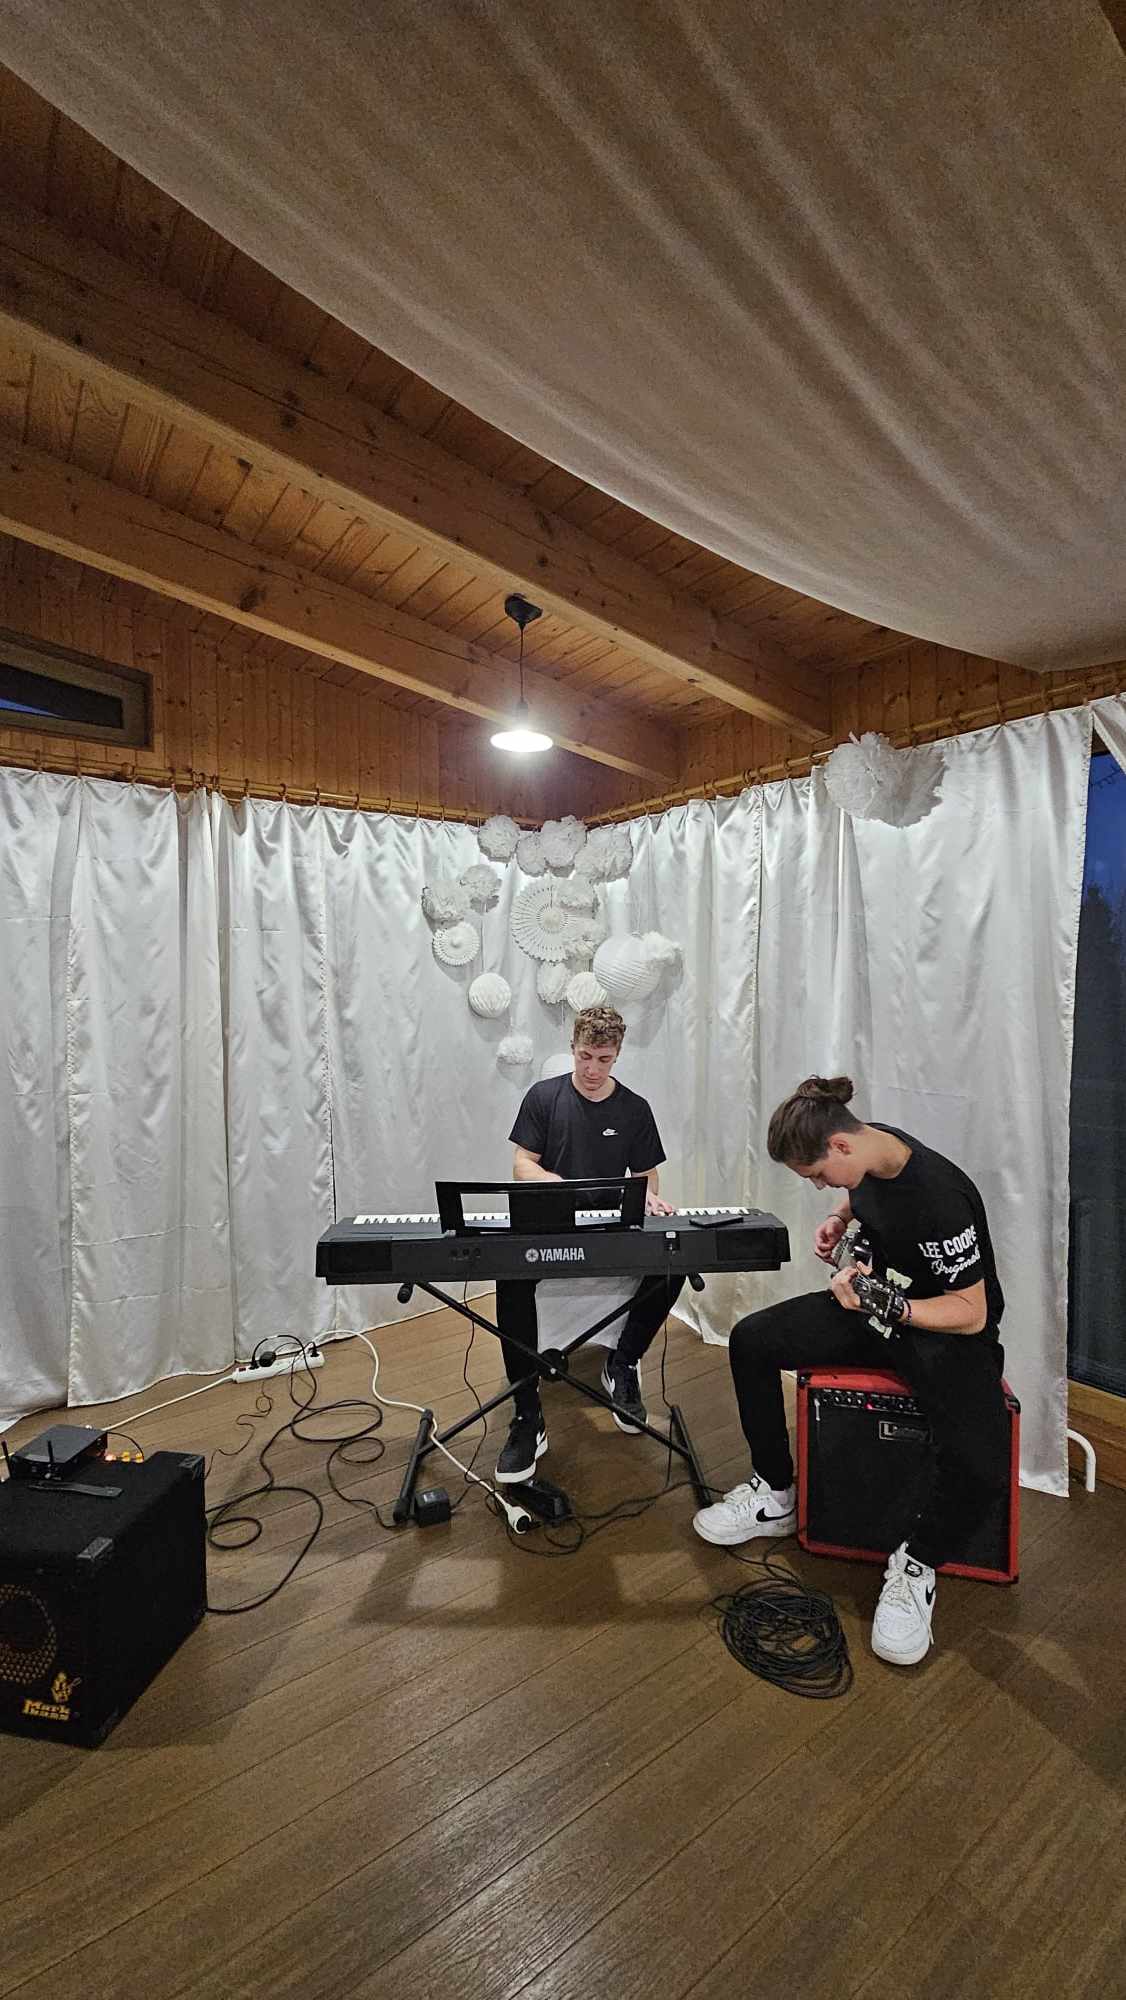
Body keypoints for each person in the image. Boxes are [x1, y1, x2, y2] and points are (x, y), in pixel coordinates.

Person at [692, 1076, 1010, 1667]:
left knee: (983, 1464)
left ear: (841, 1145)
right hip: (879, 1309)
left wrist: (885, 1304)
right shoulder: (871, 1149)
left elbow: (972, 1313)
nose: (819, 1185)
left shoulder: (939, 1197)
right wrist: (841, 1220)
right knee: (751, 1340)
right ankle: (775, 1493)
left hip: (942, 1329)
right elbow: (865, 1199)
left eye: (818, 1175)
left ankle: (916, 1563)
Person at [493, 1004, 684, 1483]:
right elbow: (522, 1165)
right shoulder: (544, 1097)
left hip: (610, 1223)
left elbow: (646, 1175)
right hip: (551, 1220)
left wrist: (648, 1198)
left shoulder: (634, 1108)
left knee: (674, 1261)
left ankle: (624, 1362)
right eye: (584, 1057)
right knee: (509, 1274)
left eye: (604, 1059)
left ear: (617, 1055)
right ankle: (527, 1408)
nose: (593, 1069)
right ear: (572, 1048)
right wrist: (553, 1182)